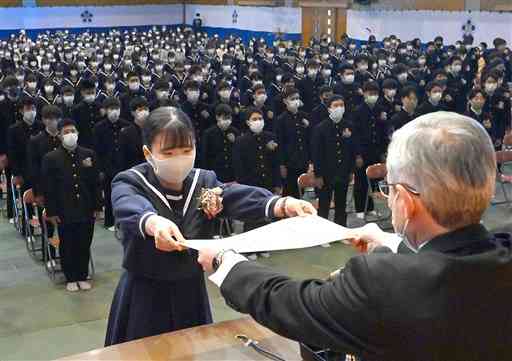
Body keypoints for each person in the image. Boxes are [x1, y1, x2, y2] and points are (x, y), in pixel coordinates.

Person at [198, 111, 512, 361]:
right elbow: (447, 265)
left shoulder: (380, 282)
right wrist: (391, 244)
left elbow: (292, 304)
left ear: (404, 199)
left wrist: (228, 265)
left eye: (388, 189)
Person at [104, 106, 315, 346]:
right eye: (169, 152)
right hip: (145, 293)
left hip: (190, 290)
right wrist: (153, 222)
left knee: (193, 350)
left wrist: (281, 203)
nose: (179, 159)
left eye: (186, 150)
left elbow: (233, 195)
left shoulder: (202, 181)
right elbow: (126, 204)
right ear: (148, 153)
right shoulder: (131, 181)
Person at [42, 119, 101, 292]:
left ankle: (82, 275)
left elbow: (95, 183)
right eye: (66, 132)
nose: (70, 135)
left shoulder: (88, 154)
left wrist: (98, 206)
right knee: (67, 243)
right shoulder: (51, 158)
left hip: (86, 206)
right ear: (59, 135)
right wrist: (52, 211)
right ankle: (71, 277)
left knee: (84, 242)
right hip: (64, 208)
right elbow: (49, 187)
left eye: (73, 131)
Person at [312, 94, 360, 227]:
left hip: (343, 170)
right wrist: (318, 175)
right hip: (326, 172)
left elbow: (351, 150)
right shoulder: (320, 128)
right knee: (324, 204)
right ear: (329, 109)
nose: (339, 108)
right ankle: (322, 231)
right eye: (335, 106)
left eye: (341, 105)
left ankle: (340, 228)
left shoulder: (348, 125)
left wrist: (351, 170)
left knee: (341, 203)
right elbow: (317, 154)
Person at [93, 97, 130, 231]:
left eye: (117, 109)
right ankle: (110, 221)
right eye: (111, 109)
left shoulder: (126, 125)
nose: (114, 112)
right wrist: (101, 169)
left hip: (123, 165)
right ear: (106, 111)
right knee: (109, 194)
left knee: (125, 194)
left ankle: (125, 219)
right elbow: (97, 150)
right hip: (107, 166)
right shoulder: (99, 127)